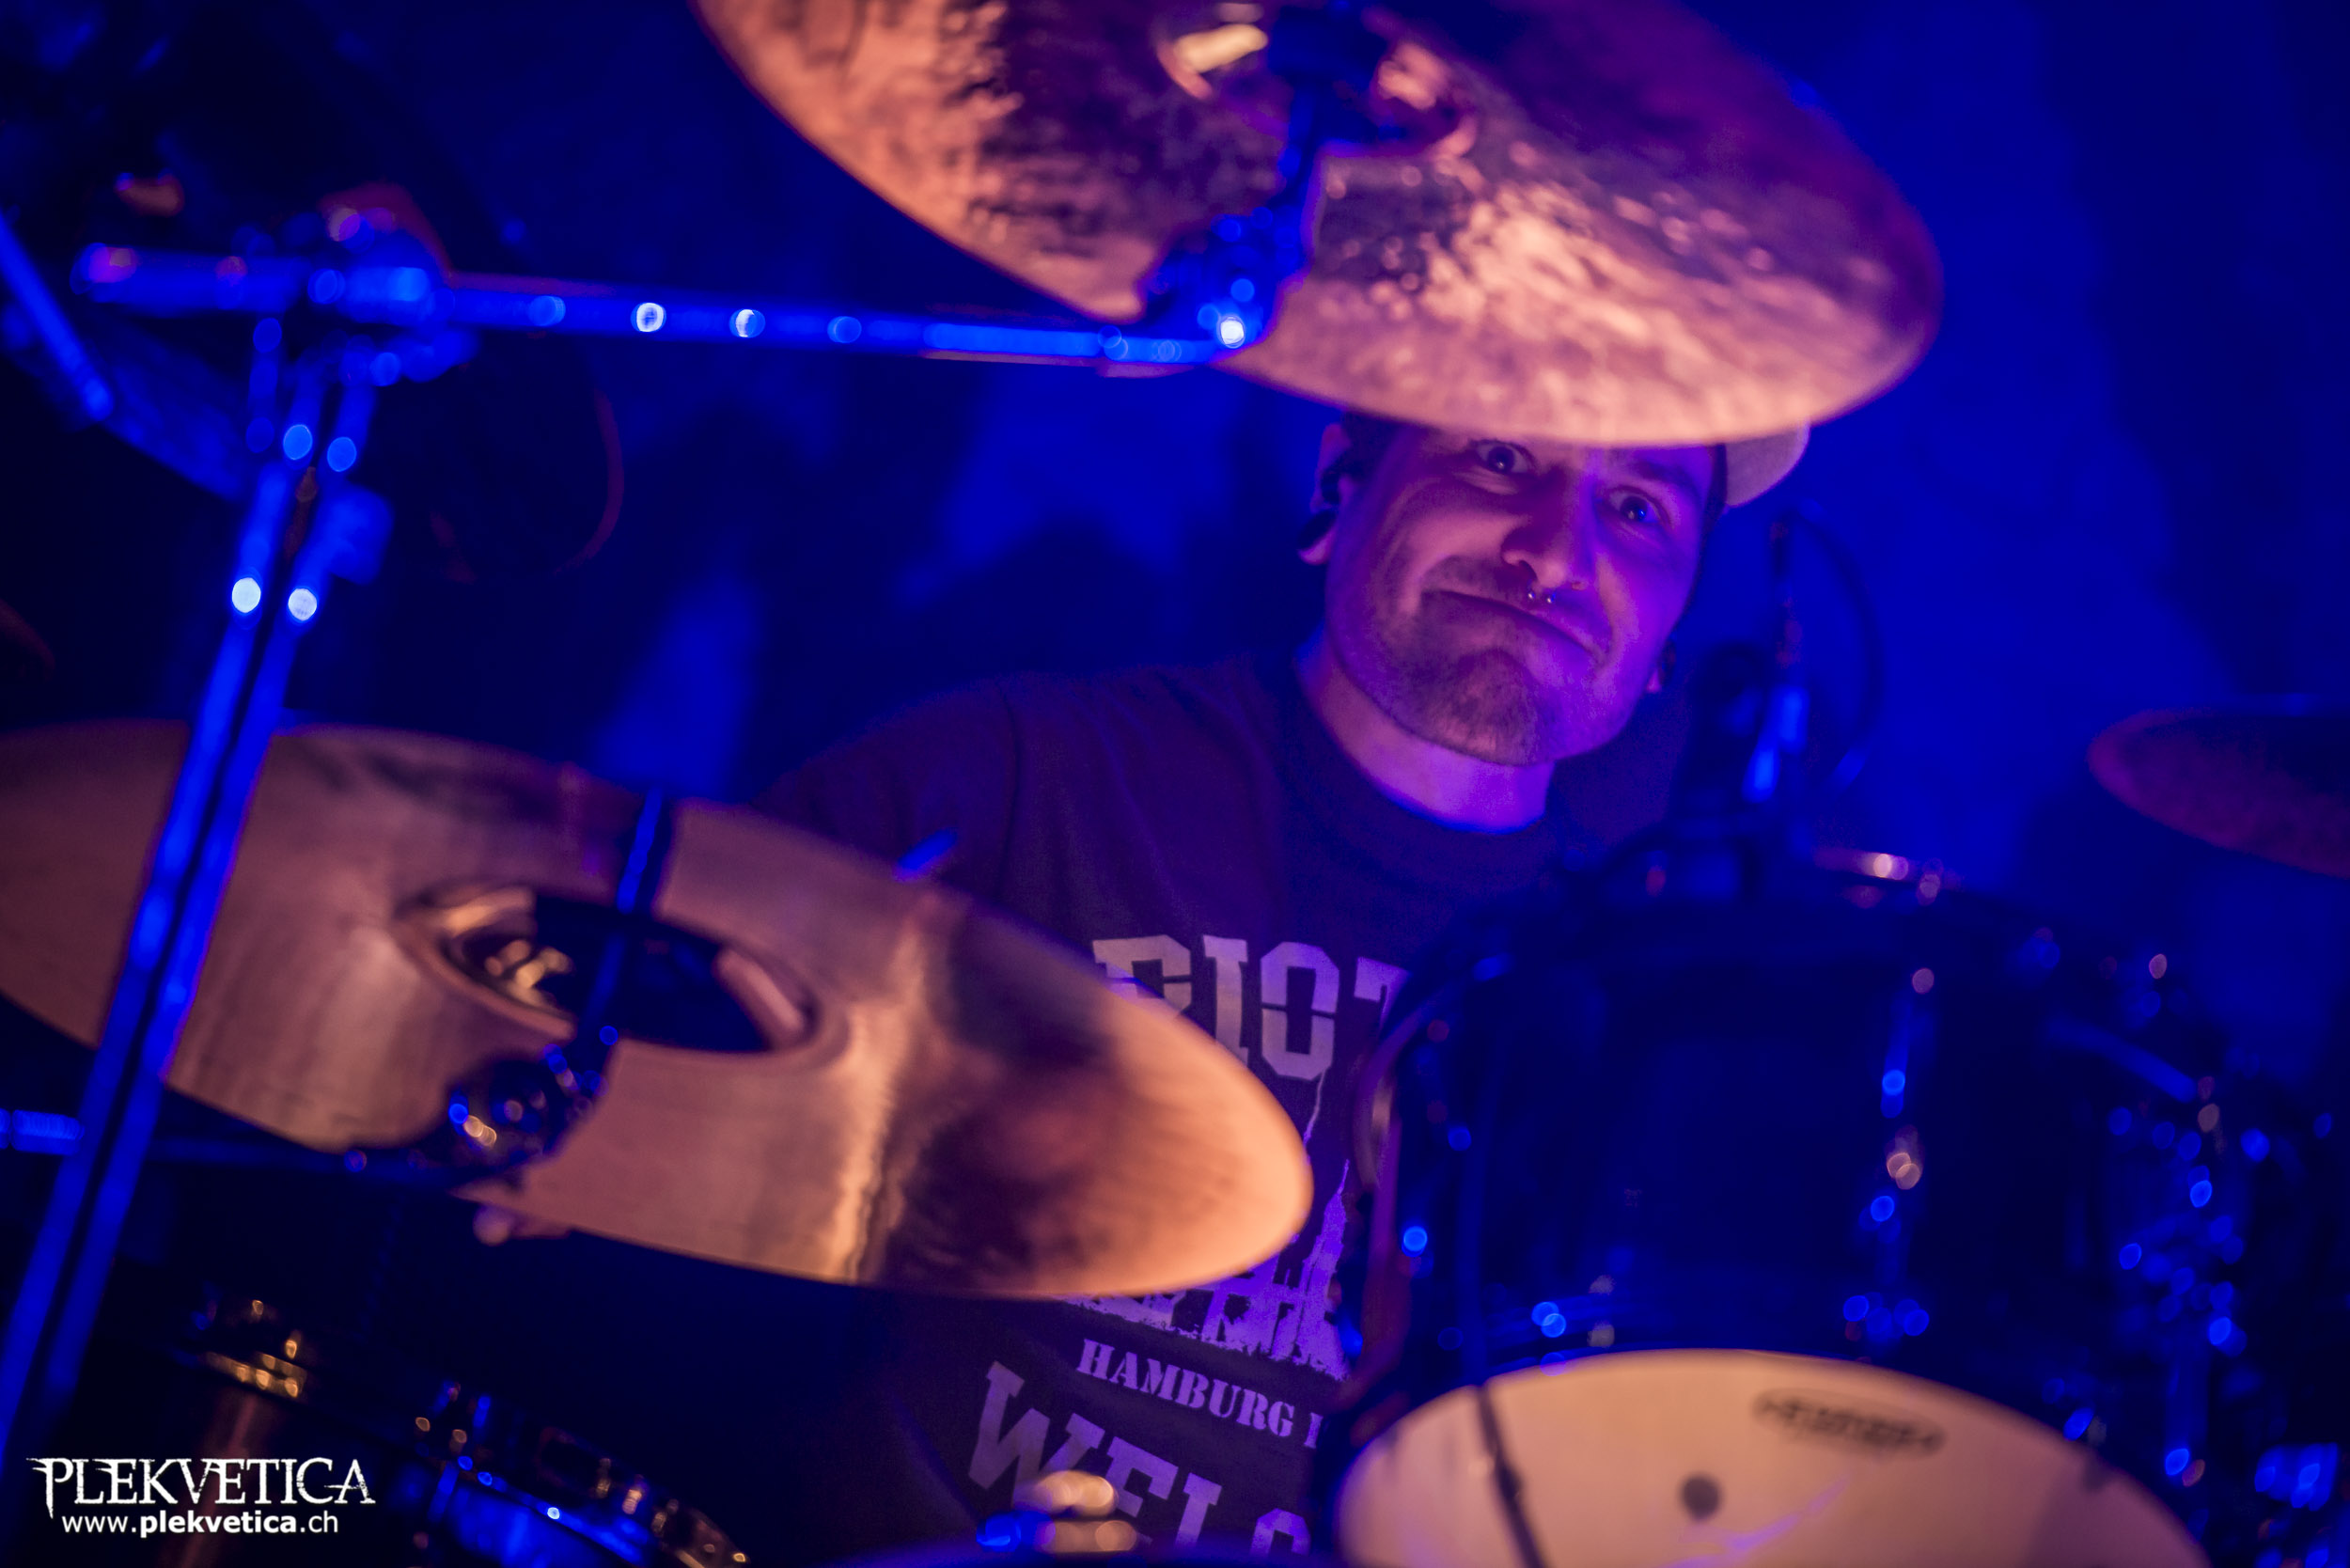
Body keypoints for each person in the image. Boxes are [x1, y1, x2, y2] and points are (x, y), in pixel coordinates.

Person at [750, 412, 1807, 1558]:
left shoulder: (1640, 1026)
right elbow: (642, 1040)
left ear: (1671, 633)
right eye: (1500, 458)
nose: (1554, 554)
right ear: (1342, 472)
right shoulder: (1019, 780)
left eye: (1637, 511)